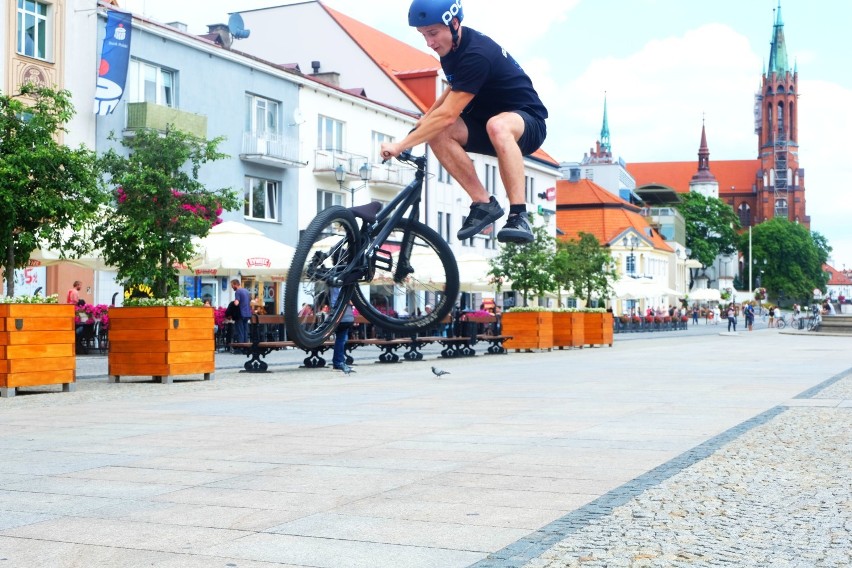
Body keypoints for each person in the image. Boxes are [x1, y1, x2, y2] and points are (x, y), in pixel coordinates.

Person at [380, 0, 548, 245]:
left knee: (496, 125)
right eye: (423, 35)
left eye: (433, 33)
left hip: (527, 122)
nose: (429, 42)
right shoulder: (452, 50)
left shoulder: (476, 54)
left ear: (454, 23)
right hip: (484, 123)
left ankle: (518, 215)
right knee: (437, 132)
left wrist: (401, 144)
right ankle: (483, 203)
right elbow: (452, 91)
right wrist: (424, 121)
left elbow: (449, 114)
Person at [330, 288, 355, 372]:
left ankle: (338, 362)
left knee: (341, 339)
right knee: (341, 340)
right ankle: (339, 362)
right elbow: (347, 300)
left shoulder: (334, 285)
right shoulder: (342, 285)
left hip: (340, 314)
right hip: (342, 315)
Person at [230, 279, 252, 344]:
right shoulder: (246, 291)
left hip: (241, 314)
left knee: (240, 331)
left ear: (235, 284)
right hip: (247, 314)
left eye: (232, 285)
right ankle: (246, 346)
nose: (232, 287)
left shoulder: (238, 291)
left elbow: (236, 303)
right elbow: (249, 300)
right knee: (245, 330)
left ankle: (241, 347)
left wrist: (233, 303)